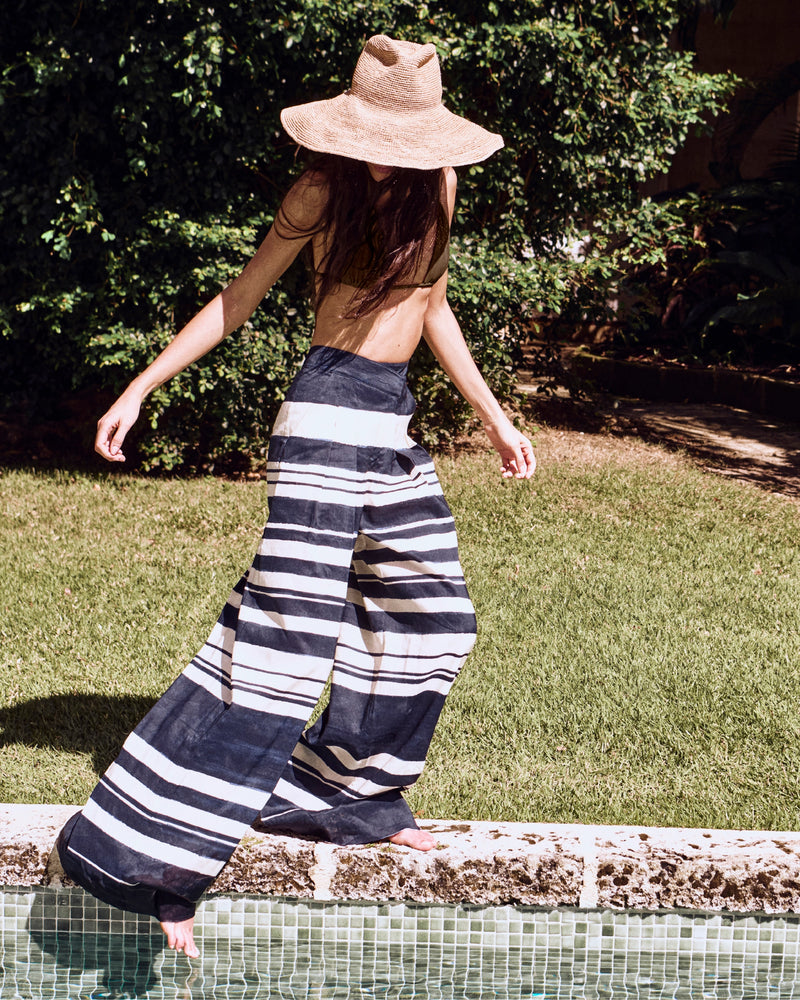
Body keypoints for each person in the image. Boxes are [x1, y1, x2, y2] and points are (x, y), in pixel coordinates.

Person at [55, 34, 535, 958]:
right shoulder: (320, 191)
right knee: (281, 647)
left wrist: (494, 417)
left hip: (389, 421)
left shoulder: (439, 184)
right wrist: (140, 386)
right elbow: (238, 299)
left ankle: (343, 795)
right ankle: (157, 861)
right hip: (323, 418)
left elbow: (432, 306)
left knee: (434, 617)